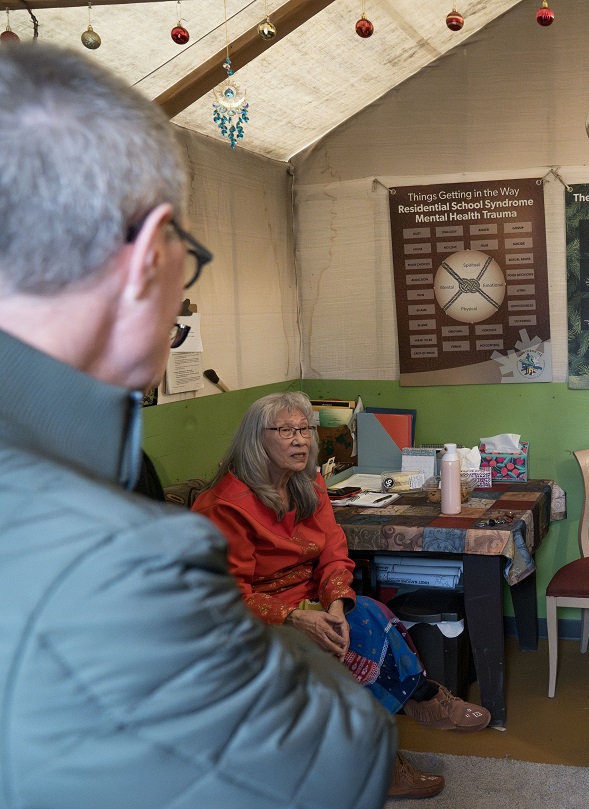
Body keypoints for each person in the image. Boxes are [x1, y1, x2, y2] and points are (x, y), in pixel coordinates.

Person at [0, 44, 395, 809]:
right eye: (190, 259)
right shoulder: (122, 556)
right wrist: (297, 645)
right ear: (150, 257)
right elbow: (330, 763)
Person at [192, 392, 491, 794]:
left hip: (309, 600)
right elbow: (222, 595)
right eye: (286, 431)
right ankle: (392, 747)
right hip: (252, 616)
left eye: (304, 429)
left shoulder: (307, 483)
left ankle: (414, 704)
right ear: (255, 440)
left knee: (366, 611)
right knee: (349, 644)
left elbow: (333, 550)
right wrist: (297, 618)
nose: (300, 440)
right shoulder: (225, 506)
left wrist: (334, 606)